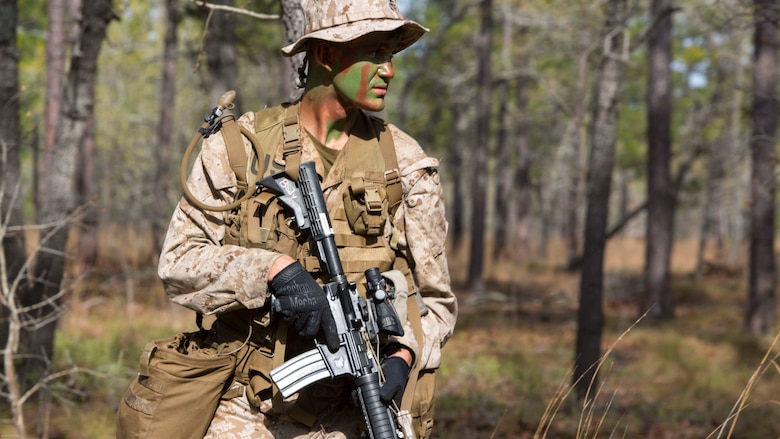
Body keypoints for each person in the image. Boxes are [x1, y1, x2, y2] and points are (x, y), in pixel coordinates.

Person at [116, 0, 456, 438]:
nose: (388, 69)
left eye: (391, 54)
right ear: (326, 55)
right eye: (374, 52)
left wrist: (403, 356)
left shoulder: (407, 167)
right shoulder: (242, 150)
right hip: (247, 411)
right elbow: (178, 264)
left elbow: (437, 301)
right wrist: (273, 270)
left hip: (356, 410)